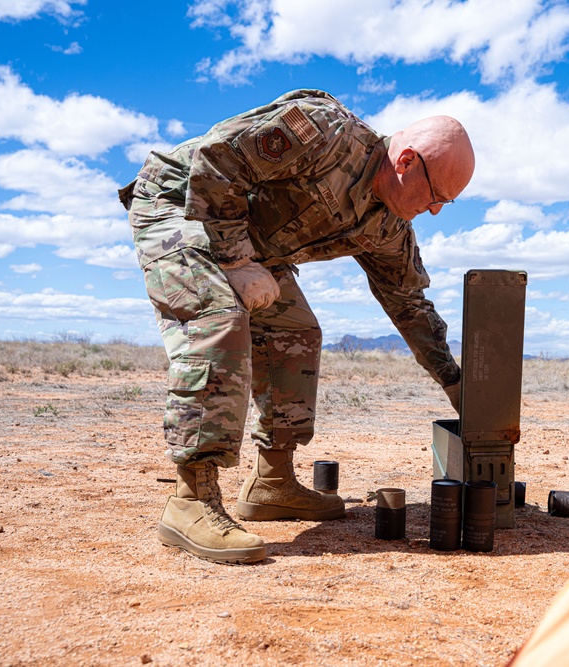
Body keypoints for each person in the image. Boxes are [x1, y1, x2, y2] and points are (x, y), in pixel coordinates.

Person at [118, 89, 474, 564]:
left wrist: (454, 381)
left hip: (250, 244)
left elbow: (408, 304)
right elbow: (217, 157)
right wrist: (237, 259)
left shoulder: (387, 226)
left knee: (296, 333)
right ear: (406, 161)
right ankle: (191, 500)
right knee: (220, 318)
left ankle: (272, 481)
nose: (434, 211)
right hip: (180, 202)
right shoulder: (324, 132)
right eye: (437, 196)